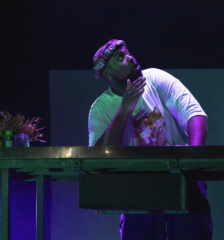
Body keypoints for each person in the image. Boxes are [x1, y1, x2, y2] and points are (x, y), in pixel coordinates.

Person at [88, 39, 212, 240]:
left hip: (178, 176)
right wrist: (123, 111)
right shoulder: (100, 108)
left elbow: (194, 114)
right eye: (121, 57)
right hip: (136, 186)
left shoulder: (154, 78)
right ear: (108, 74)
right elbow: (97, 157)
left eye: (127, 52)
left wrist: (194, 157)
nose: (130, 57)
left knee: (193, 225)